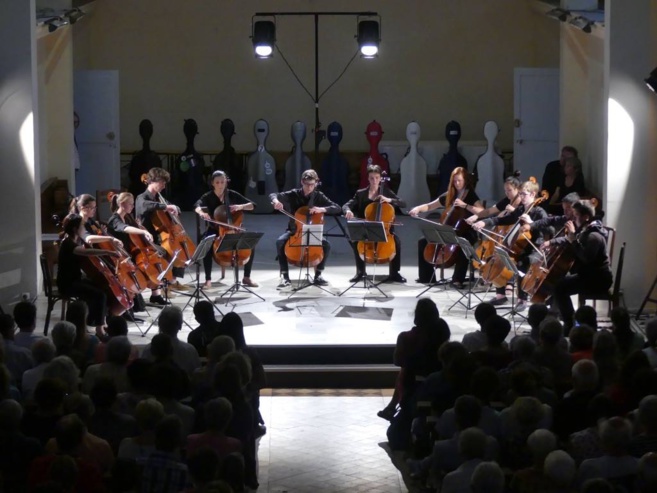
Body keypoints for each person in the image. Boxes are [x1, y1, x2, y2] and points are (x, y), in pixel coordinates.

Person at [472, 179, 549, 311]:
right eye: (520, 194)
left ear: (533, 194)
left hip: (535, 248)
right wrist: (485, 222)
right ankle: (501, 295)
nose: (521, 197)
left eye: (524, 194)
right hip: (520, 247)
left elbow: (549, 230)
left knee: (522, 263)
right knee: (500, 254)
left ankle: (522, 299)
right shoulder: (521, 210)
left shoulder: (539, 211)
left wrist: (531, 223)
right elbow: (503, 219)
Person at [409, 166, 483, 287]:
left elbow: (482, 211)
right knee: (423, 241)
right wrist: (417, 209)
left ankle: (457, 279)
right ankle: (426, 277)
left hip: (466, 231)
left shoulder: (471, 195)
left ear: (465, 180)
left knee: (463, 243)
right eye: (455, 181)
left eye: (459, 180)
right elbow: (430, 206)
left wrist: (465, 205)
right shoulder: (450, 195)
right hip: (448, 230)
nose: (457, 183)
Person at [269, 169, 341, 288]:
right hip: (294, 231)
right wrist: (276, 202)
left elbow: (337, 207)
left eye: (312, 184)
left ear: (316, 183)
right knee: (280, 242)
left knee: (326, 245)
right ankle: (285, 277)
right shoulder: (294, 194)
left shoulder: (318, 196)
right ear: (302, 182)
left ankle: (318, 275)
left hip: (313, 232)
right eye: (307, 184)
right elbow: (273, 195)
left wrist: (322, 209)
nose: (309, 187)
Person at [548, 200, 612, 331]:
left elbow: (586, 259)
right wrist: (554, 242)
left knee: (560, 287)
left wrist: (573, 240)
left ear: (586, 217)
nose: (573, 219)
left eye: (576, 215)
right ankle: (567, 319)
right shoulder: (586, 230)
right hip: (588, 275)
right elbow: (575, 241)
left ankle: (569, 324)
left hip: (598, 279)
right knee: (559, 283)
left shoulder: (594, 235)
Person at [57, 213, 120, 338]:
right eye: (82, 226)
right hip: (68, 284)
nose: (84, 229)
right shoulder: (68, 243)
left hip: (75, 280)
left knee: (103, 287)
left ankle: (99, 321)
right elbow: (86, 252)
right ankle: (99, 330)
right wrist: (108, 252)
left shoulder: (74, 240)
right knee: (100, 294)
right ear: (75, 229)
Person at [342, 164, 407, 283]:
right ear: (368, 178)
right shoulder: (361, 193)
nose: (374, 181)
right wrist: (348, 211)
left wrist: (389, 200)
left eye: (377, 177)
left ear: (380, 178)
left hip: (384, 230)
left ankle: (395, 273)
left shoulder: (385, 191)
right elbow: (346, 205)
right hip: (366, 229)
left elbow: (403, 203)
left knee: (396, 241)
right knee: (356, 241)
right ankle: (360, 272)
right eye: (371, 178)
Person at [194, 170, 257, 289]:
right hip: (215, 229)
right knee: (207, 244)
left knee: (250, 243)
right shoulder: (208, 196)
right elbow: (196, 205)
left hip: (233, 229)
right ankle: (208, 280)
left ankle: (246, 277)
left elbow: (252, 205)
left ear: (226, 182)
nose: (220, 185)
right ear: (212, 183)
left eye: (222, 182)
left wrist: (240, 206)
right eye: (217, 182)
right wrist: (202, 213)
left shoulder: (232, 194)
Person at [107, 191, 168, 306]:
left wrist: (140, 227)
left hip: (131, 252)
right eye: (130, 204)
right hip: (122, 255)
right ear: (122, 204)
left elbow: (134, 229)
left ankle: (156, 295)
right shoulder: (114, 219)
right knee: (147, 267)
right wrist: (143, 231)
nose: (133, 206)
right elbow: (124, 228)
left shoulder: (128, 217)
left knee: (158, 254)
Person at [135, 167, 189, 289]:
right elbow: (146, 205)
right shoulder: (141, 198)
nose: (164, 186)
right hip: (148, 237)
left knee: (178, 248)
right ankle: (164, 283)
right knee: (164, 251)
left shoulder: (159, 198)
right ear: (152, 181)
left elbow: (172, 207)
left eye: (165, 183)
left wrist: (175, 208)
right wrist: (165, 207)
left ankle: (173, 281)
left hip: (161, 235)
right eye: (162, 182)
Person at [541, 145, 578, 209]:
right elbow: (546, 186)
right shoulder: (552, 166)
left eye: (568, 158)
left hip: (568, 203)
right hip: (549, 198)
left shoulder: (575, 171)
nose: (564, 159)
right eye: (563, 156)